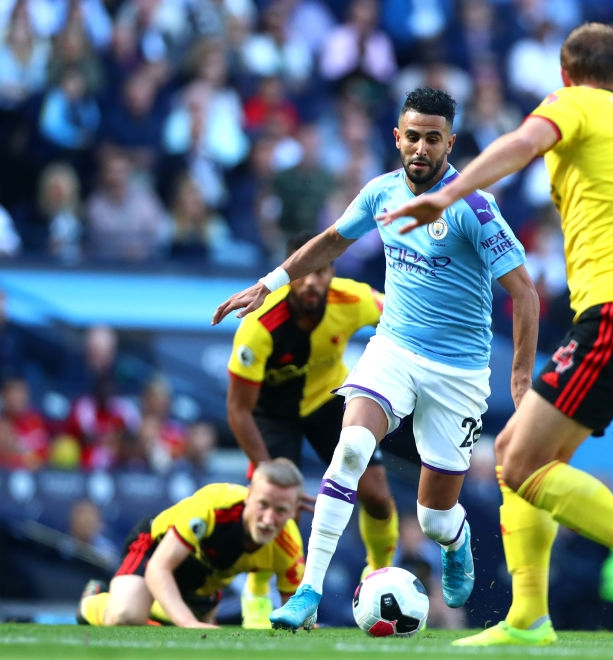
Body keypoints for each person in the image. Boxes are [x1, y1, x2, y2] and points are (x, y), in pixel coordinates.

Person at [377, 23, 613, 650]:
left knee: (516, 460)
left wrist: (448, 195)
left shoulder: (577, 102)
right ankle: (529, 616)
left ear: (564, 76)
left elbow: (523, 141)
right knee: (524, 455)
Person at [211, 87, 539, 631]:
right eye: (413, 137)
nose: (421, 148)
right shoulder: (380, 193)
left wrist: (521, 378)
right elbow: (331, 241)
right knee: (350, 451)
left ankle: (455, 539)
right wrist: (269, 284)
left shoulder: (473, 207)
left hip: (458, 373)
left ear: (450, 143)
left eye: (433, 139)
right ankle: (309, 592)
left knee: (433, 518)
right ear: (397, 138)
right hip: (394, 350)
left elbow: (524, 293)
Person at [226, 230, 401, 629]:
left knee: (377, 497)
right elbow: (238, 410)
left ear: (331, 273)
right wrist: (265, 469)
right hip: (271, 413)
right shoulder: (258, 324)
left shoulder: (352, 299)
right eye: (302, 272)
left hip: (328, 401)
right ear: (288, 273)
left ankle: (379, 575)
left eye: (320, 271)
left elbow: (404, 318)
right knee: (272, 502)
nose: (311, 281)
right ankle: (257, 591)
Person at [76, 458, 306, 628]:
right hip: (156, 548)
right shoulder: (214, 505)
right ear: (249, 495)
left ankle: (157, 612)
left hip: (207, 576)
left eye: (280, 510)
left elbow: (293, 610)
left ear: (294, 511)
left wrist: (303, 624)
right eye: (263, 505)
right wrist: (188, 623)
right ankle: (93, 600)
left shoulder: (289, 546)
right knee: (125, 616)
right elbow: (159, 567)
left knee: (181, 626)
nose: (268, 519)